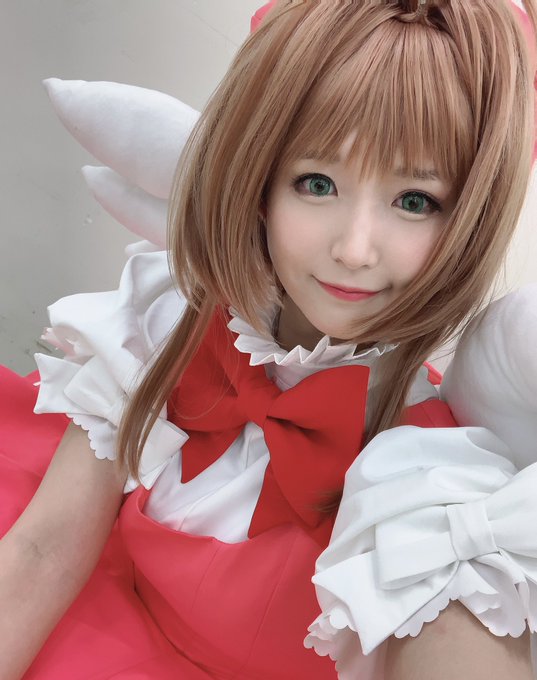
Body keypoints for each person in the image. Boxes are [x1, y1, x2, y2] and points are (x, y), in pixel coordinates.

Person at [0, 0, 536, 678]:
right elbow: (42, 551)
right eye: (317, 183)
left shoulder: (432, 465)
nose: (354, 249)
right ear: (261, 183)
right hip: (92, 628)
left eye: (414, 201)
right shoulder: (167, 323)